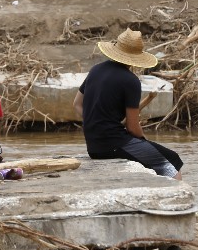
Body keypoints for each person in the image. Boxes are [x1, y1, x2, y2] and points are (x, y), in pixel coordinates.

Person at [73, 29, 183, 179]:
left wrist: (94, 124)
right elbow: (132, 128)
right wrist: (143, 140)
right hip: (113, 144)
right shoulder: (130, 80)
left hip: (93, 146)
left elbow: (77, 104)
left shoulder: (95, 70)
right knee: (171, 160)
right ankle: (177, 198)